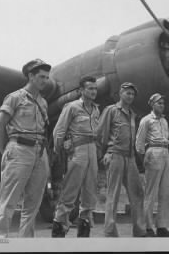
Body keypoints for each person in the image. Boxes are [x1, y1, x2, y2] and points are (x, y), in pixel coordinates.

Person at [0, 59, 51, 238]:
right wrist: (8, 152)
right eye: (41, 77)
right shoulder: (15, 97)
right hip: (19, 150)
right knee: (8, 202)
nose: (44, 81)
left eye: (47, 78)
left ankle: (26, 244)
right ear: (30, 76)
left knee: (33, 205)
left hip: (39, 153)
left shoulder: (43, 102)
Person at [51, 76, 100, 238]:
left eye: (95, 88)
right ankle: (59, 226)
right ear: (81, 90)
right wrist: (59, 152)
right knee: (71, 189)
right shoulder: (72, 107)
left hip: (92, 149)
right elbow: (59, 130)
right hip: (77, 151)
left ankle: (84, 225)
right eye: (90, 88)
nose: (93, 91)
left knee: (90, 190)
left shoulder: (96, 109)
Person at [97, 82, 146, 237]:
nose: (130, 96)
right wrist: (106, 153)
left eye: (132, 94)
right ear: (120, 93)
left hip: (130, 157)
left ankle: (139, 229)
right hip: (115, 155)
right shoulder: (111, 110)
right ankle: (110, 230)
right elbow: (101, 133)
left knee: (137, 192)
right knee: (113, 193)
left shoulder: (132, 114)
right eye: (127, 93)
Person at [135, 93, 169, 237]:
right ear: (152, 104)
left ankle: (162, 226)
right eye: (159, 103)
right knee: (150, 192)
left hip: (165, 152)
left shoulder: (164, 121)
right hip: (153, 151)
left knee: (167, 192)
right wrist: (144, 159)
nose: (162, 105)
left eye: (163, 103)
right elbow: (139, 143)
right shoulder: (146, 120)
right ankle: (147, 226)